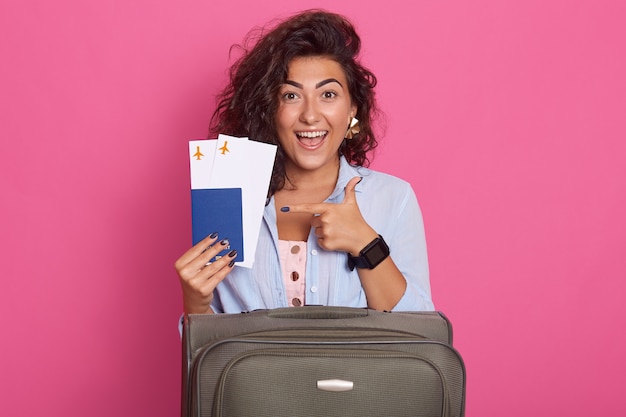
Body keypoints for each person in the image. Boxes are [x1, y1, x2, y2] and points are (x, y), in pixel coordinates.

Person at [175, 9, 434, 315]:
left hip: (353, 366)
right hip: (252, 366)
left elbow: (421, 335)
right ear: (269, 108)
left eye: (328, 94)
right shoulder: (227, 196)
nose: (310, 115)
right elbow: (210, 356)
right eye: (291, 96)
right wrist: (195, 301)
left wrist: (366, 245)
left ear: (352, 108)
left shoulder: (393, 198)